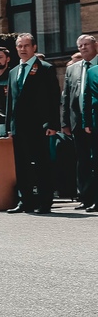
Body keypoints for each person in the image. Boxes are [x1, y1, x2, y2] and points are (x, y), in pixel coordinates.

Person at [6, 33, 60, 214]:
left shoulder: (45, 68)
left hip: (39, 126)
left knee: (41, 164)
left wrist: (53, 124)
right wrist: (9, 126)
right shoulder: (13, 71)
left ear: (34, 47)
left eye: (26, 46)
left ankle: (45, 202)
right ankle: (25, 201)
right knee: (21, 166)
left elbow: (54, 98)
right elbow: (10, 102)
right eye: (20, 46)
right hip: (19, 126)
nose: (23, 49)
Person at [61, 34, 97, 212]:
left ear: (95, 45)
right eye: (80, 45)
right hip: (77, 122)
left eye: (86, 44)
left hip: (95, 121)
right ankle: (85, 197)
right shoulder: (72, 69)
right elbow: (66, 96)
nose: (83, 48)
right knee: (82, 162)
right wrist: (64, 122)